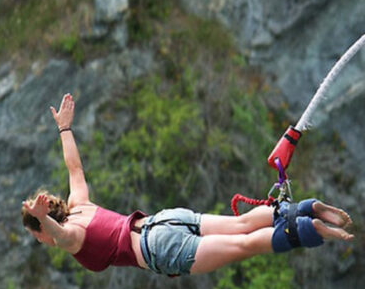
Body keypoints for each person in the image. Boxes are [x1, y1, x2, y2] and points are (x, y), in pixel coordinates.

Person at [21, 93, 354, 275]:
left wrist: (43, 218)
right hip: (164, 219)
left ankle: (311, 229)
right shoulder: (80, 205)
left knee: (246, 245)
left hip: (159, 249)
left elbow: (62, 236)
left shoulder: (71, 237)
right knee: (241, 226)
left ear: (42, 231)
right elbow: (74, 168)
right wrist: (65, 129)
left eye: (38, 237)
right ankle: (306, 209)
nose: (44, 241)